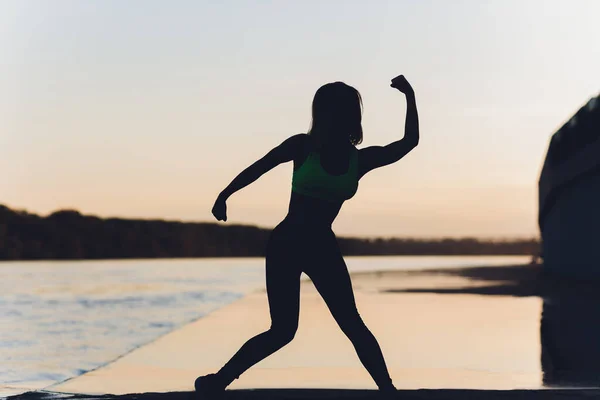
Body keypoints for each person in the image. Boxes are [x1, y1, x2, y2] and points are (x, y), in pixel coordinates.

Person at [195, 75, 419, 396]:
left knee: (351, 323)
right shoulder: (301, 146)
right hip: (287, 244)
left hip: (321, 247)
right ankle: (218, 381)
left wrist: (409, 96)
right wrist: (224, 194)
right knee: (283, 331)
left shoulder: (360, 159)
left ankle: (387, 390)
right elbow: (260, 166)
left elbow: (408, 143)